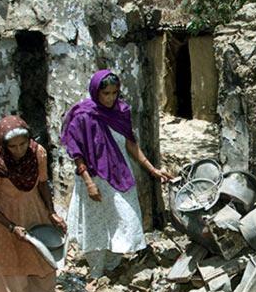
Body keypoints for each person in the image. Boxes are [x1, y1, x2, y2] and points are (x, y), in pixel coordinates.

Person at [61, 69, 172, 279]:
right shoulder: (83, 116)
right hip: (94, 178)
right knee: (97, 223)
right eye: (106, 94)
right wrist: (88, 183)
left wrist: (152, 169)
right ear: (96, 92)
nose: (111, 98)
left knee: (125, 217)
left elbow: (131, 143)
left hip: (119, 173)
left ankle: (112, 264)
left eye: (114, 93)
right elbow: (77, 154)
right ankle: (96, 271)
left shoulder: (121, 112)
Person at [0, 116, 67, 292]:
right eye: (13, 146)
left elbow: (42, 183)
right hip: (4, 215)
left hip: (34, 209)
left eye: (23, 144)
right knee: (13, 262)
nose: (19, 150)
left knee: (42, 255)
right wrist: (11, 227)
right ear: (3, 146)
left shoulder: (37, 153)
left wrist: (51, 212)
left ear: (29, 140)